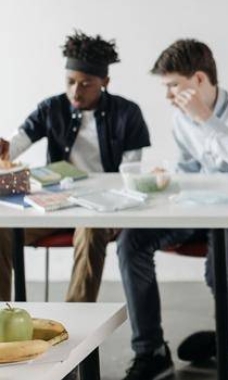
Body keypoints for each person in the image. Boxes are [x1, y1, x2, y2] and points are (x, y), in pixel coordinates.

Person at [117, 39, 228, 380]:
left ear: (199, 79)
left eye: (174, 85)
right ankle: (152, 352)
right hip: (200, 206)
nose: (169, 96)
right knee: (131, 242)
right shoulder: (180, 119)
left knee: (220, 267)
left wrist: (207, 120)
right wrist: (169, 176)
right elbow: (191, 168)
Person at [0, 31, 150, 302]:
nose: (75, 91)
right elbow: (16, 142)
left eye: (86, 83)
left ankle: (76, 323)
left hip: (102, 207)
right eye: (70, 82)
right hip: (54, 203)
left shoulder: (128, 113)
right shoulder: (51, 108)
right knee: (1, 232)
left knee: (92, 228)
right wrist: (5, 146)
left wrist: (116, 211)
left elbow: (130, 174)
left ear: (104, 81)